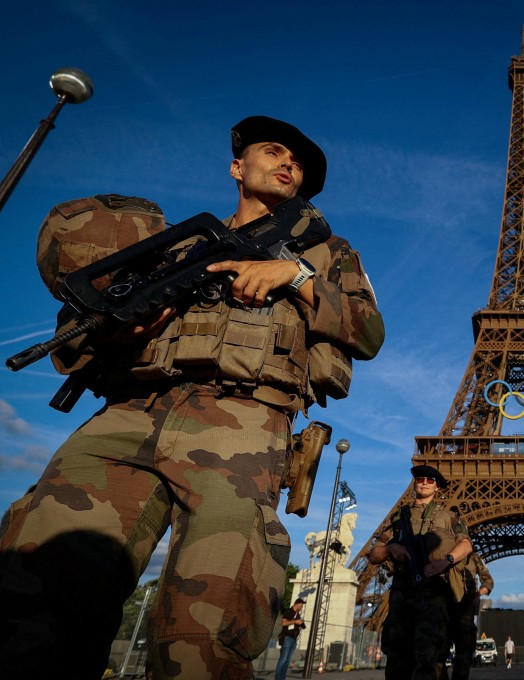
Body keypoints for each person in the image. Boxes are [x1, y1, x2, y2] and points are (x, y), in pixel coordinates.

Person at [0, 116, 385, 679]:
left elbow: (368, 332)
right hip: (127, 414)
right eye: (273, 151)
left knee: (205, 626)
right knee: (36, 593)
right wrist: (122, 328)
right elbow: (86, 327)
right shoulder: (173, 244)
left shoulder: (329, 252)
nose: (288, 164)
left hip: (242, 424)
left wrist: (294, 274)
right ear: (237, 166)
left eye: (298, 164)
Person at [369, 465, 472, 680]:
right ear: (415, 483)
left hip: (433, 594)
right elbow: (374, 554)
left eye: (429, 480)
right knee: (397, 660)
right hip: (402, 594)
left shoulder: (449, 517)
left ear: (437, 487)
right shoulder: (398, 518)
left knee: (430, 659)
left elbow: (466, 544)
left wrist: (446, 561)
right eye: (420, 479)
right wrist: (391, 548)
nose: (424, 482)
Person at [450, 552, 494, 680]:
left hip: (464, 613)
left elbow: (489, 581)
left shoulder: (474, 557)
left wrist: (478, 594)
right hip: (442, 610)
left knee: (464, 655)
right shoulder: (440, 553)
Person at [275, 598, 306, 680]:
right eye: (301, 605)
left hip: (294, 638)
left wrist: (301, 623)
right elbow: (284, 623)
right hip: (287, 637)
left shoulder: (297, 614)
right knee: (283, 659)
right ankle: (278, 678)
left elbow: (302, 626)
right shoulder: (289, 611)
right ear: (297, 604)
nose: (302, 607)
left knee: (288, 660)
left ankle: (282, 677)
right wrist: (295, 622)